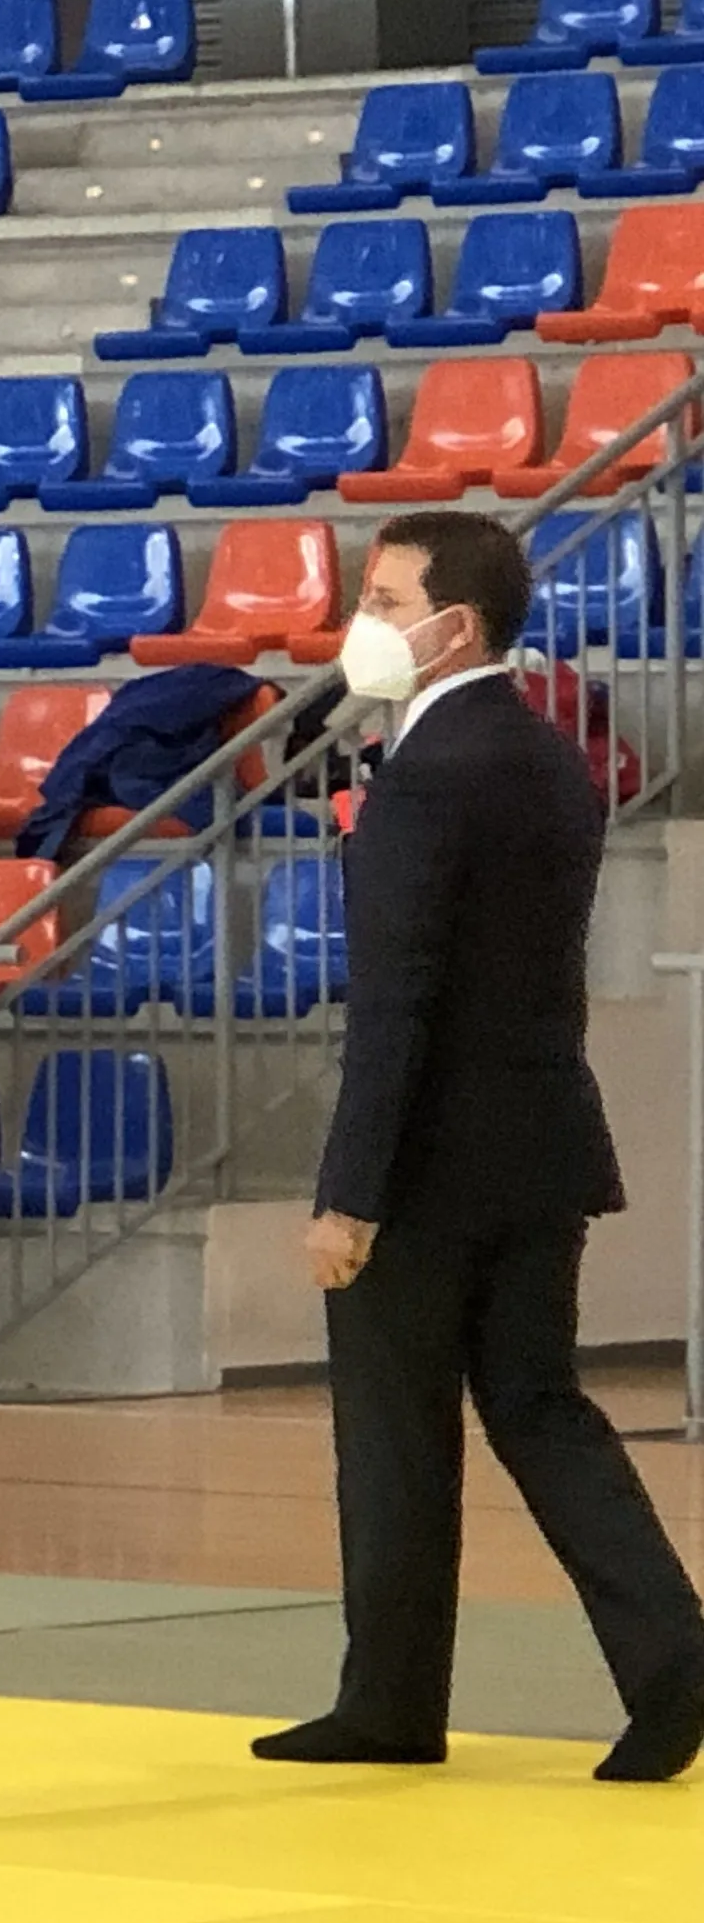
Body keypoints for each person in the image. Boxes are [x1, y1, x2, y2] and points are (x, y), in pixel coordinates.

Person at [263, 509, 704, 1784]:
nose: (369, 620)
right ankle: (673, 1657)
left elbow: (398, 1000)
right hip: (540, 1144)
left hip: (427, 1166)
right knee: (540, 1406)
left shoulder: (428, 777)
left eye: (390, 599)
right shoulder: (548, 758)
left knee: (395, 1430)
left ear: (456, 625)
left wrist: (349, 1197)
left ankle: (391, 1701)